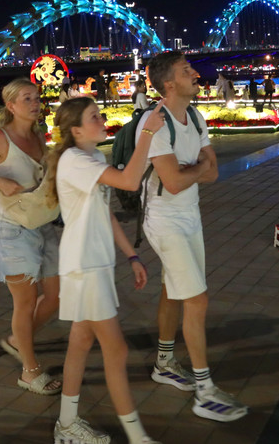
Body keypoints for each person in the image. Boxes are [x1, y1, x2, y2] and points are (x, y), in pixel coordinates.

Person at [136, 51, 248, 422]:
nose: (197, 74)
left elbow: (213, 173)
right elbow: (171, 181)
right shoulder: (154, 123)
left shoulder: (195, 116)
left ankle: (165, 362)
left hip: (189, 214)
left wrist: (193, 169)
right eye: (188, 71)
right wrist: (196, 169)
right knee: (196, 300)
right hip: (164, 219)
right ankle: (204, 391)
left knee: (174, 289)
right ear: (169, 84)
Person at [47, 97, 166, 444]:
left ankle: (67, 425)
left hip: (92, 262)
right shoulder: (74, 159)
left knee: (81, 343)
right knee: (117, 350)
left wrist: (131, 255)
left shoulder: (93, 157)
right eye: (94, 117)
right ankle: (137, 437)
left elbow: (105, 212)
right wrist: (146, 133)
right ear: (76, 130)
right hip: (85, 265)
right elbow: (130, 181)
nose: (102, 120)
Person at [0, 78, 62, 395]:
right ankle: (29, 372)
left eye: (37, 97)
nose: (35, 102)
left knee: (57, 294)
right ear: (11, 105)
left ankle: (19, 340)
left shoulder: (38, 133)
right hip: (12, 228)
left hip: (42, 221)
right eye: (27, 98)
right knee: (26, 301)